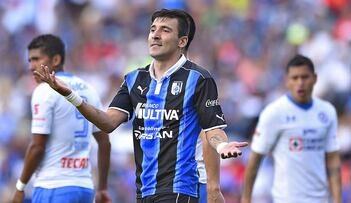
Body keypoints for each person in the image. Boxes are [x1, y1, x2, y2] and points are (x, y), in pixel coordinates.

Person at [35, 9, 248, 203]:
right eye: (153, 29)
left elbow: (211, 129)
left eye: (165, 30)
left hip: (179, 189)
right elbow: (107, 122)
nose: (155, 35)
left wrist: (221, 147)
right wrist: (70, 95)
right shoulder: (134, 79)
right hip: (144, 191)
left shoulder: (198, 78)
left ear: (182, 41)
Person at [12, 34, 112, 203]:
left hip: (53, 186)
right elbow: (104, 142)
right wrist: (102, 188)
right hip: (84, 188)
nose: (31, 66)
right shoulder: (89, 89)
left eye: (36, 59)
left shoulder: (44, 91)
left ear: (56, 59)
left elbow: (37, 146)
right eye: (29, 60)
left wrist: (20, 187)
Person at [242, 54, 342, 203]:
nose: (300, 83)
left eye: (305, 77)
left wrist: (337, 200)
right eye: (295, 78)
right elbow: (255, 160)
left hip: (321, 199)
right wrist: (246, 199)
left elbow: (333, 160)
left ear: (314, 78)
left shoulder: (327, 112)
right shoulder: (274, 113)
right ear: (287, 81)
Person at [181, 10, 225, 203]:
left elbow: (209, 133)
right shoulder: (151, 82)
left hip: (193, 181)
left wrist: (213, 187)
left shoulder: (197, 80)